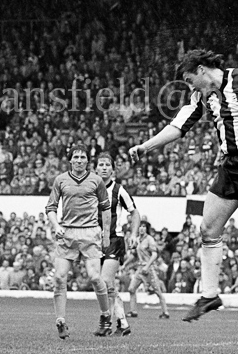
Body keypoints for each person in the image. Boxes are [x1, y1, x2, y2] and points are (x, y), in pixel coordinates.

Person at [129, 49, 238, 322]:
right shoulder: (201, 96)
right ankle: (210, 295)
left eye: (189, 79)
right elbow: (178, 126)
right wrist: (145, 146)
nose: (190, 86)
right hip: (231, 165)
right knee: (208, 228)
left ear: (201, 70)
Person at [45, 144, 112, 339]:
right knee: (59, 278)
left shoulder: (96, 181)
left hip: (90, 233)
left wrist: (106, 233)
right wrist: (56, 225)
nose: (79, 160)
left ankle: (105, 315)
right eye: (76, 157)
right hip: (67, 233)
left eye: (83, 157)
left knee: (94, 277)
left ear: (87, 161)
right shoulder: (61, 180)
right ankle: (61, 321)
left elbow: (106, 208)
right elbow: (50, 207)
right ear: (70, 160)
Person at [95, 152, 141, 336]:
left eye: (108, 165)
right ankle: (122, 323)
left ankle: (108, 321)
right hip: (95, 243)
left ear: (113, 170)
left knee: (105, 281)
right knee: (105, 285)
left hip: (115, 239)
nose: (104, 167)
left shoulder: (119, 191)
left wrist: (134, 233)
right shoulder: (91, 190)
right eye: (101, 164)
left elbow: (135, 213)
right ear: (95, 169)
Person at [127, 221, 170, 319]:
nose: (141, 228)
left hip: (148, 268)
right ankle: (133, 311)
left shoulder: (150, 240)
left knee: (157, 291)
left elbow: (154, 254)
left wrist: (147, 266)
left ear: (147, 229)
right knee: (131, 289)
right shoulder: (138, 239)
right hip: (140, 268)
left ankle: (165, 312)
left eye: (144, 227)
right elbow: (134, 254)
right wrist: (125, 264)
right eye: (140, 226)